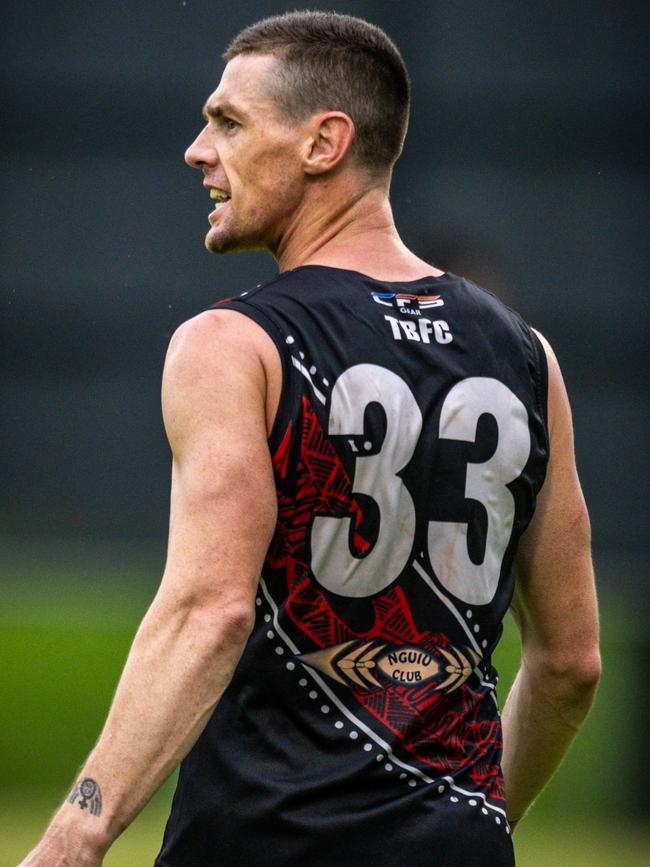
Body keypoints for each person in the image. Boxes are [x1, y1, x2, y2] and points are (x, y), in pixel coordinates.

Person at [19, 11, 600, 867]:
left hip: (263, 839)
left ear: (324, 143)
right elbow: (572, 664)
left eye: (227, 122)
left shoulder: (233, 345)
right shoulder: (527, 356)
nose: (197, 149)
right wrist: (472, 818)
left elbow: (208, 613)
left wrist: (79, 830)